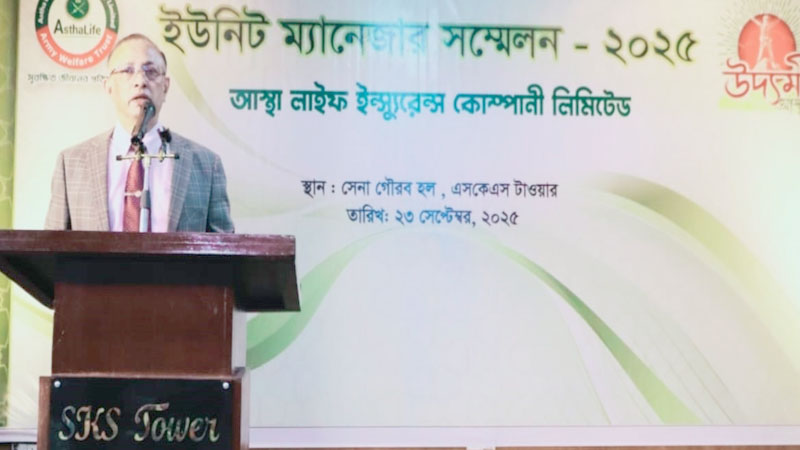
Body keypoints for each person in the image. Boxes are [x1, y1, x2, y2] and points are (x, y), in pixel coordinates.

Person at [44, 34, 234, 233]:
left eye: (151, 72)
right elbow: (52, 246)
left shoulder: (206, 165)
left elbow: (224, 248)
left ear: (165, 86)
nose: (140, 81)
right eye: (127, 70)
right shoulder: (71, 163)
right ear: (108, 86)